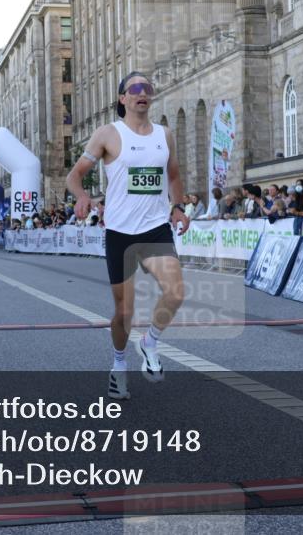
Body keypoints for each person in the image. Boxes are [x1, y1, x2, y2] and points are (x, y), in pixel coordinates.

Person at [66, 72, 190, 401]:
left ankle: (150, 342)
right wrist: (82, 196)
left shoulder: (164, 135)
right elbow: (74, 176)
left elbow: (173, 175)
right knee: (124, 312)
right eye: (135, 88)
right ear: (123, 98)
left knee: (175, 292)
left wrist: (178, 206)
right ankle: (119, 365)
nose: (142, 92)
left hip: (155, 228)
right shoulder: (108, 134)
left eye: (147, 87)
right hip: (120, 233)